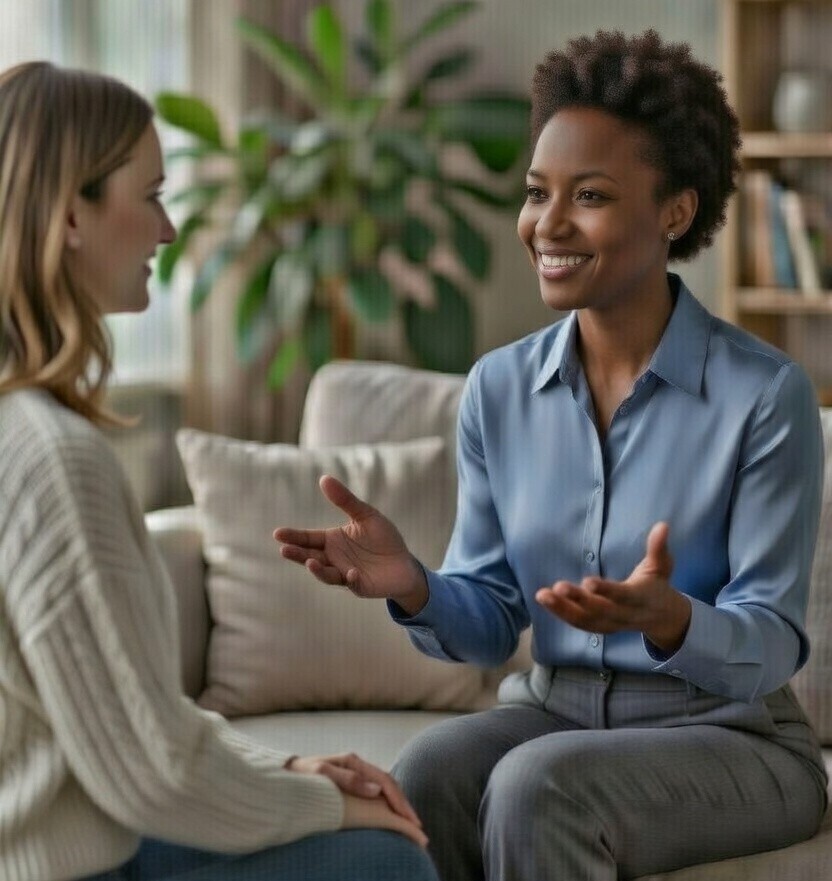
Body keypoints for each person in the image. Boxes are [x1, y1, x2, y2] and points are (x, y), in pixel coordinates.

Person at [274, 29, 829, 881]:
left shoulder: (765, 396)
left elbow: (774, 639)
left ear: (675, 210)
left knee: (540, 786)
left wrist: (671, 619)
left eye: (591, 195)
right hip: (555, 708)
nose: (548, 224)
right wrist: (414, 586)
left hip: (731, 734)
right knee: (425, 775)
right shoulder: (498, 388)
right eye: (538, 192)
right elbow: (495, 617)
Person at [0, 61, 440, 881]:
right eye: (153, 194)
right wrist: (331, 804)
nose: (168, 230)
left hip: (66, 832)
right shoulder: (54, 463)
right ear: (69, 214)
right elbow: (152, 771)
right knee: (385, 862)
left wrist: (287, 769)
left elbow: (129, 721)